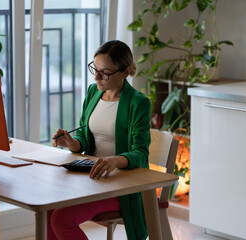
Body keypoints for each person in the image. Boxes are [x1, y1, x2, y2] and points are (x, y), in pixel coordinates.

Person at [50, 40, 151, 240]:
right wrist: (72, 143)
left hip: (121, 186)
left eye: (104, 72)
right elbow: (85, 139)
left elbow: (140, 153)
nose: (96, 77)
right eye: (94, 69)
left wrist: (114, 160)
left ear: (125, 71)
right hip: (91, 179)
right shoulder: (93, 92)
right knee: (45, 210)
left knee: (61, 218)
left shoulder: (138, 103)